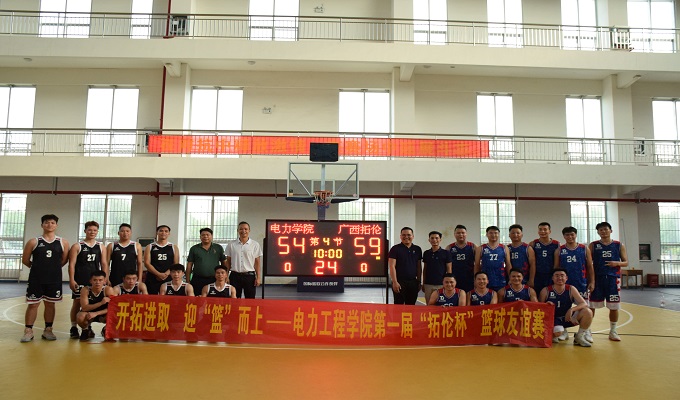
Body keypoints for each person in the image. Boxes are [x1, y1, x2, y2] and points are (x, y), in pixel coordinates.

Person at [21, 214, 70, 342]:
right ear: (42, 225)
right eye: (47, 222)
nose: (49, 225)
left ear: (56, 225)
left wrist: (52, 268)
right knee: (33, 304)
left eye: (52, 222)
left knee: (50, 304)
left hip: (54, 279)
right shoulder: (34, 241)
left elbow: (64, 260)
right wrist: (37, 268)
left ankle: (48, 330)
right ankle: (28, 331)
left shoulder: (63, 242)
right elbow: (25, 260)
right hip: (36, 279)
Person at [67, 221, 107, 339]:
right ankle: (74, 327)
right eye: (90, 230)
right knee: (77, 302)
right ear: (85, 231)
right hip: (80, 279)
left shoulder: (101, 246)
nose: (92, 232)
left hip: (96, 280)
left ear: (97, 232)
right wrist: (71, 279)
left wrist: (105, 279)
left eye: (95, 230)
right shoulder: (77, 246)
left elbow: (104, 264)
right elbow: (72, 264)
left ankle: (88, 327)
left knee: (93, 302)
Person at [589, 221, 628, 342]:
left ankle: (613, 331)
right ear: (598, 232)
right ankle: (587, 330)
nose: (604, 231)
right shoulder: (593, 245)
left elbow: (626, 262)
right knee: (591, 306)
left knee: (614, 306)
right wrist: (591, 280)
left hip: (613, 279)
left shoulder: (618, 245)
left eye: (606, 229)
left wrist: (617, 263)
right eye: (601, 230)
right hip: (597, 279)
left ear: (611, 230)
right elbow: (588, 263)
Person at [539, 268, 593, 347]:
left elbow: (584, 303)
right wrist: (546, 306)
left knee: (588, 312)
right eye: (557, 276)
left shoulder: (571, 289)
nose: (559, 278)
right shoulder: (546, 290)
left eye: (562, 275)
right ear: (552, 278)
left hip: (567, 317)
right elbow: (538, 308)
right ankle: (556, 332)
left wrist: (572, 309)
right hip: (553, 319)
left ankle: (579, 337)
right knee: (557, 333)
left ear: (566, 278)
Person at [556, 226, 594, 300]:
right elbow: (556, 268)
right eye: (567, 235)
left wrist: (592, 282)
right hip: (565, 282)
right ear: (564, 236)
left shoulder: (584, 249)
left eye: (572, 234)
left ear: (576, 235)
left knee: (583, 304)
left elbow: (590, 266)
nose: (570, 237)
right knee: (565, 304)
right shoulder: (559, 250)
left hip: (581, 281)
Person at [226, 221, 262, 298]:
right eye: (241, 229)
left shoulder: (255, 245)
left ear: (249, 230)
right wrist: (226, 275)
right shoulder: (231, 244)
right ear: (238, 230)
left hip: (249, 277)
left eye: (246, 229)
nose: (243, 231)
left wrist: (258, 277)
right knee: (234, 298)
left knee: (250, 299)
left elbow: (257, 263)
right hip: (235, 276)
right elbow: (228, 262)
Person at [186, 228, 227, 295]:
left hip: (214, 279)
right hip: (198, 279)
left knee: (213, 298)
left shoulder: (218, 248)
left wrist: (226, 277)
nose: (205, 236)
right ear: (200, 237)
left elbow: (224, 263)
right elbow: (189, 265)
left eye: (207, 235)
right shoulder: (194, 248)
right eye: (203, 235)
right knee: (198, 298)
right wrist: (187, 280)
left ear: (212, 236)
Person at [388, 227, 423, 305]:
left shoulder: (417, 249)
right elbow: (392, 266)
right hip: (399, 282)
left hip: (413, 282)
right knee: (398, 305)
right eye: (403, 235)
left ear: (413, 236)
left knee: (411, 305)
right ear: (400, 236)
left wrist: (419, 281)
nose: (406, 237)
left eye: (408, 235)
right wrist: (395, 282)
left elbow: (419, 267)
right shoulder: (395, 249)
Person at [143, 225, 180, 295]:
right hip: (153, 277)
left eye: (166, 231)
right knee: (152, 299)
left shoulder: (173, 247)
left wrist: (166, 274)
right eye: (161, 231)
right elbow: (147, 263)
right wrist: (158, 274)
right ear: (157, 232)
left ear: (169, 233)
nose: (163, 233)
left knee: (168, 299)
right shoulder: (150, 246)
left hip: (168, 277)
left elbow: (176, 263)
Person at [474, 226, 512, 292]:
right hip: (485, 280)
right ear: (487, 234)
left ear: (498, 234)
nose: (493, 235)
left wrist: (511, 278)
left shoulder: (504, 248)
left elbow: (508, 264)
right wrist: (476, 279)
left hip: (500, 279)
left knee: (501, 297)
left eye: (495, 233)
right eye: (491, 233)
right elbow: (477, 265)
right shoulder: (481, 248)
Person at [76, 270, 110, 341]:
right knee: (80, 317)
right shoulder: (85, 290)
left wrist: (96, 313)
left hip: (103, 314)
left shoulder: (108, 290)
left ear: (104, 281)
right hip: (89, 314)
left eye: (100, 280)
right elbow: (84, 308)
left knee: (115, 315)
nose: (97, 282)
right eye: (95, 280)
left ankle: (106, 329)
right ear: (90, 281)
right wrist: (101, 303)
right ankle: (86, 330)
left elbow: (113, 308)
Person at [529, 222, 560, 296]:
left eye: (545, 229)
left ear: (550, 231)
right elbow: (531, 262)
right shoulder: (533, 243)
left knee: (550, 296)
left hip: (550, 275)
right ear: (538, 231)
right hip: (537, 275)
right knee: (537, 296)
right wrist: (531, 279)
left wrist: (555, 276)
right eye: (540, 229)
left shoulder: (556, 244)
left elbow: (557, 263)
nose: (542, 231)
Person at [422, 231, 452, 304]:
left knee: (441, 305)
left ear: (440, 239)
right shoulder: (426, 253)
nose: (434, 240)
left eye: (436, 238)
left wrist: (448, 283)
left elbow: (449, 269)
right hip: (428, 284)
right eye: (432, 238)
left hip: (441, 284)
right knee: (429, 304)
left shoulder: (446, 253)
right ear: (429, 240)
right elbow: (425, 269)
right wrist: (423, 283)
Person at [446, 225, 476, 293]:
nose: (461, 235)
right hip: (455, 278)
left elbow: (478, 263)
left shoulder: (473, 246)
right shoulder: (449, 247)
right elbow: (447, 265)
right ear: (454, 234)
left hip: (469, 278)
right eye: (458, 233)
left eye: (463, 233)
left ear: (466, 234)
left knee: (469, 296)